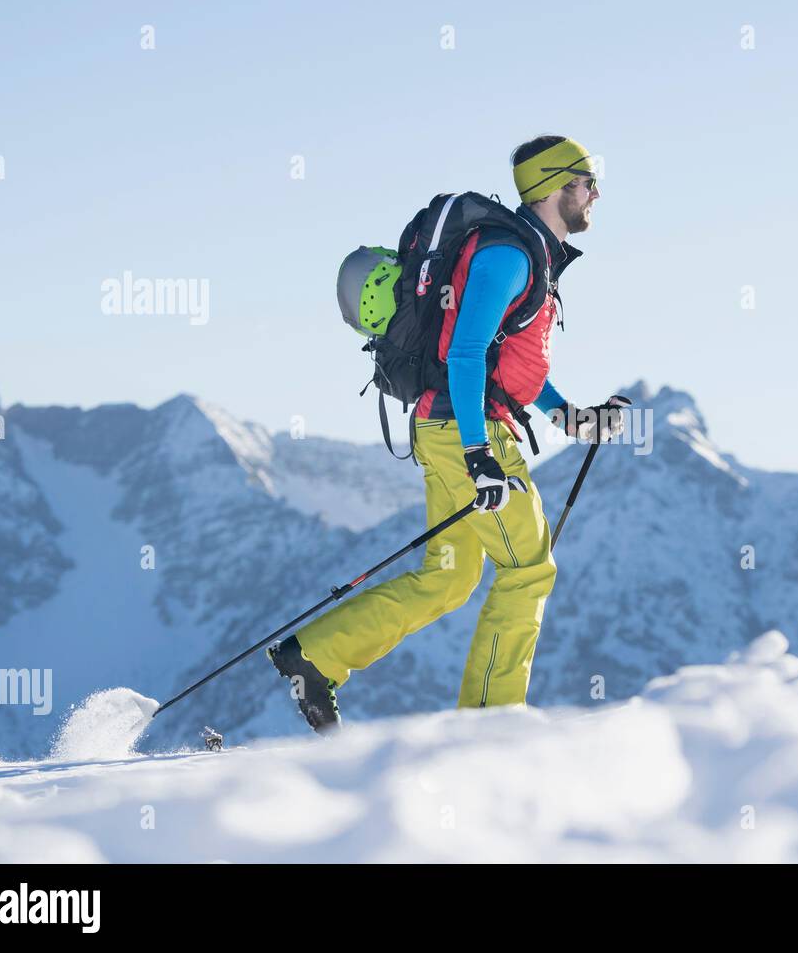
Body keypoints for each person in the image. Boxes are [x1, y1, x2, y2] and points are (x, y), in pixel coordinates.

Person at [268, 135, 626, 733]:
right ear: (554, 186)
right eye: (587, 181)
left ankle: (316, 657)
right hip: (468, 433)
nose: (595, 193)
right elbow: (465, 355)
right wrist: (480, 455)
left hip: (447, 428)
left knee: (450, 576)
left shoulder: (528, 258)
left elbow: (512, 372)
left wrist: (575, 419)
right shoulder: (510, 258)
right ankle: (491, 729)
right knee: (528, 570)